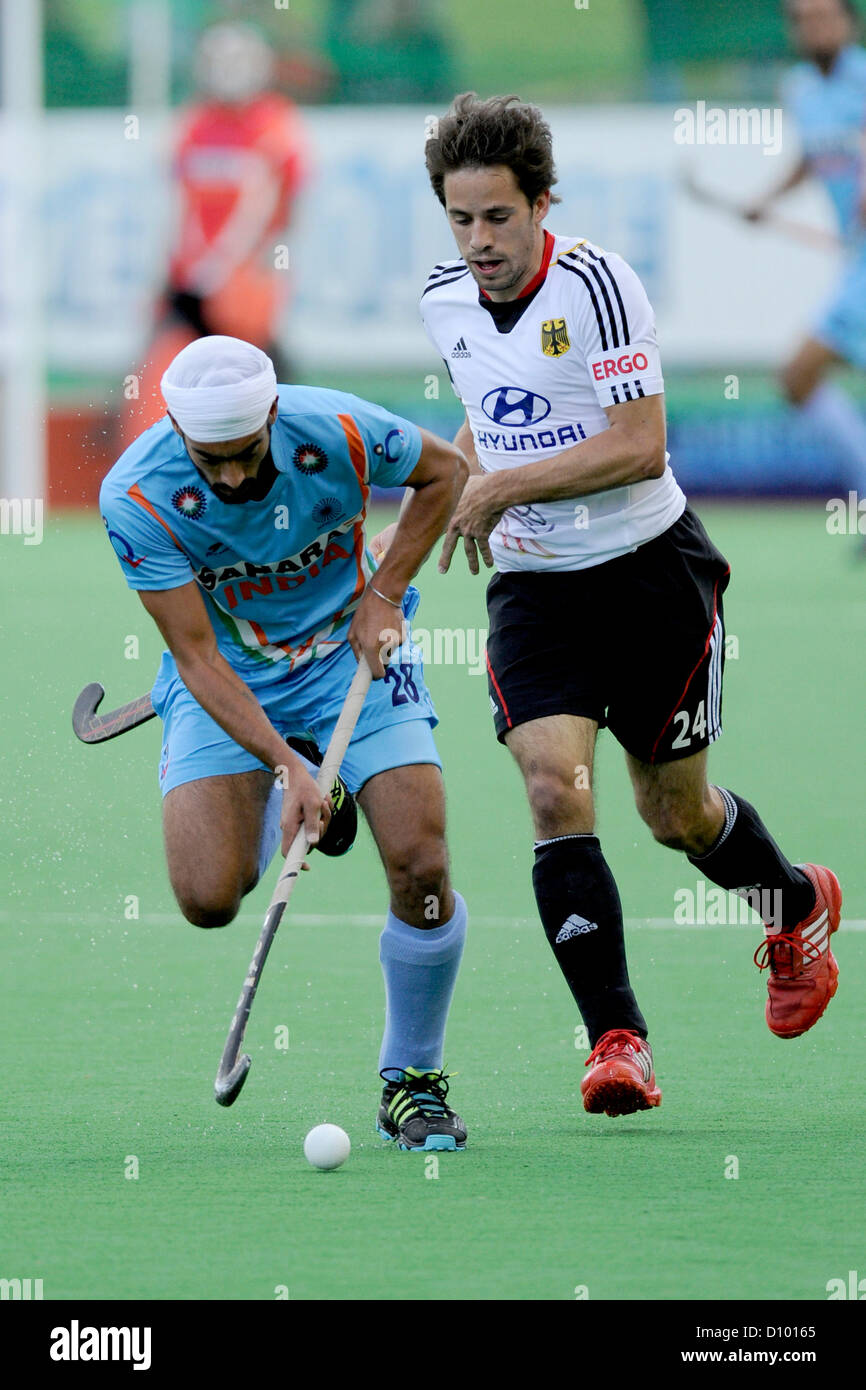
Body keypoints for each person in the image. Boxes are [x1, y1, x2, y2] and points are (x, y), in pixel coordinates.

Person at [401, 92, 842, 1118]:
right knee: (555, 790)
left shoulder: (598, 283)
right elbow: (485, 418)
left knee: (672, 814)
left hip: (649, 574)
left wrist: (502, 484)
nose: (477, 243)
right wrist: (415, 535)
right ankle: (615, 1039)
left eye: (497, 218)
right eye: (459, 220)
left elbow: (639, 443)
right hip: (533, 591)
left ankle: (794, 904)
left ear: (541, 203)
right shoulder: (443, 298)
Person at [100, 334, 469, 1151]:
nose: (230, 477)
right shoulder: (137, 496)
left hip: (351, 652)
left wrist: (386, 590)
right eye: (210, 460)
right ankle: (305, 794)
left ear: (272, 414)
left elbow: (445, 470)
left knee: (422, 861)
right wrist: (286, 763)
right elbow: (195, 654)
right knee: (207, 896)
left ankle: (413, 1081)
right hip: (231, 674)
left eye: (245, 456)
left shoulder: (336, 428)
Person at [118, 23, 309, 447]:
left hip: (241, 285)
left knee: (255, 378)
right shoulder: (194, 125)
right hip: (189, 279)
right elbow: (178, 207)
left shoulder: (274, 124)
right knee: (162, 374)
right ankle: (149, 466)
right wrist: (173, 271)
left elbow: (277, 207)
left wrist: (242, 269)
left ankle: (293, 450)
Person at [745, 0, 866, 522]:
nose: (814, 27)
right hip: (856, 262)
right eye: (802, 19)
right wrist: (768, 200)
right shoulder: (800, 89)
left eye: (824, 16)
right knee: (798, 379)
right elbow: (813, 157)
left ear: (849, 22)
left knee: (799, 373)